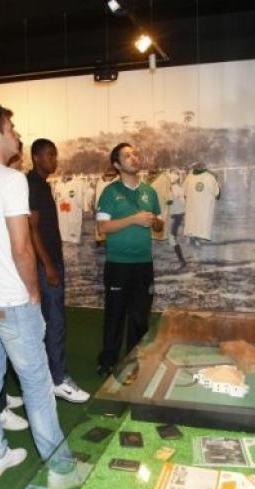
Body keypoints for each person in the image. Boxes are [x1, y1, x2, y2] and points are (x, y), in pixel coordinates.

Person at [0, 105, 76, 485]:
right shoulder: (10, 180)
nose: (16, 133)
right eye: (11, 127)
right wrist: (33, 292)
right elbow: (22, 248)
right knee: (37, 384)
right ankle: (60, 464)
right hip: (9, 299)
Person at [27, 138, 89, 403]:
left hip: (49, 263)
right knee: (55, 322)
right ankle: (58, 379)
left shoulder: (41, 185)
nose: (55, 160)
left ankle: (46, 377)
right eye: (49, 155)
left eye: (55, 155)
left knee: (48, 322)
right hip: (45, 266)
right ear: (36, 157)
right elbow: (32, 229)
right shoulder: (32, 186)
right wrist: (49, 265)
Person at [95, 143, 163, 377]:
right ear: (117, 164)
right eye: (127, 155)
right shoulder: (110, 193)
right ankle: (108, 360)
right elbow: (103, 227)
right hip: (118, 265)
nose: (134, 157)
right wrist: (133, 219)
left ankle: (134, 359)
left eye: (135, 153)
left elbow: (160, 223)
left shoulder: (149, 192)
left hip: (144, 264)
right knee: (115, 314)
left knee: (140, 315)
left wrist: (155, 222)